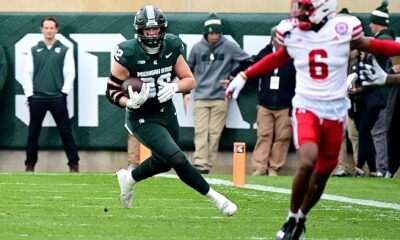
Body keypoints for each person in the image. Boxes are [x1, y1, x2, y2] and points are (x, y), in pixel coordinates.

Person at [225, 0, 400, 238]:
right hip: (306, 106)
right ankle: (291, 217)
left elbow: (377, 45)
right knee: (307, 161)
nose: (299, 12)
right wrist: (246, 74)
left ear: (324, 8)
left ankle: (299, 219)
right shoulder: (292, 30)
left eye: (305, 7)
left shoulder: (344, 28)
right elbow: (278, 58)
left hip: (335, 110)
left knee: (322, 173)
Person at [106, 5, 237, 216]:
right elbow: (111, 90)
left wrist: (175, 87)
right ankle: (217, 199)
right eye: (148, 30)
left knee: (164, 162)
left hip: (166, 111)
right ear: (139, 31)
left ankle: (129, 178)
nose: (152, 34)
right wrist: (128, 102)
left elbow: (189, 80)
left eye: (156, 30)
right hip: (141, 116)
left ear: (162, 30)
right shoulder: (128, 52)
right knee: (177, 158)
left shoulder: (172, 46)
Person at [185, 13, 252, 174]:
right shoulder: (197, 48)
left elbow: (248, 61)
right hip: (201, 96)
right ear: (206, 33)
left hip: (221, 97)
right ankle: (199, 162)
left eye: (217, 33)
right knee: (201, 130)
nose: (214, 36)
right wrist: (186, 92)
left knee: (214, 133)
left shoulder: (229, 45)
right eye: (211, 33)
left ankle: (207, 164)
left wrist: (232, 75)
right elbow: (187, 69)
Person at [23, 17, 80, 172]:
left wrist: (64, 93)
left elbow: (70, 73)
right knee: (33, 133)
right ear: (42, 29)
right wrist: (29, 95)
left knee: (66, 132)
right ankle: (30, 165)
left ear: (57, 29)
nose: (49, 30)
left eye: (52, 28)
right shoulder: (34, 50)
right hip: (37, 98)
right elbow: (27, 73)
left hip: (57, 98)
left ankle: (74, 164)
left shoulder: (64, 49)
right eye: (46, 28)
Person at [250, 26, 296, 176]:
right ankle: (259, 167)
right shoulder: (264, 54)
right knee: (264, 135)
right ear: (272, 39)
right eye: (278, 39)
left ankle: (274, 168)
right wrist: (234, 77)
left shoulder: (292, 56)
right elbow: (252, 69)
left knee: (282, 138)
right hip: (265, 103)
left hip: (284, 104)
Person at [360, 56, 400, 178]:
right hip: (395, 101)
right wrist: (391, 70)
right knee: (392, 136)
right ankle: (391, 169)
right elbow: (384, 77)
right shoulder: (395, 56)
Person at [368, 0, 395, 177]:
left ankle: (384, 168)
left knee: (380, 132)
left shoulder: (383, 42)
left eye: (371, 22)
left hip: (382, 95)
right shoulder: (387, 40)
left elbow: (386, 70)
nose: (369, 25)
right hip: (383, 94)